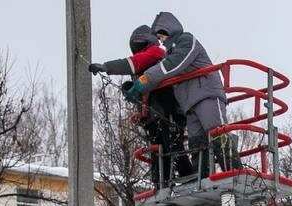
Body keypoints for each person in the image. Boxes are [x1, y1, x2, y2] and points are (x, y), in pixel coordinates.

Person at [126, 12, 239, 178]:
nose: (162, 39)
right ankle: (202, 177)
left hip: (205, 93)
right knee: (197, 141)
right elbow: (161, 70)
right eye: (159, 37)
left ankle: (234, 172)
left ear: (170, 29)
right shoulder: (169, 52)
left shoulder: (186, 41)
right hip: (189, 103)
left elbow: (171, 66)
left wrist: (142, 82)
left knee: (217, 131)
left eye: (162, 35)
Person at [89, 25, 194, 187]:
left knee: (172, 146)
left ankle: (189, 179)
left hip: (168, 110)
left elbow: (135, 64)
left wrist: (107, 67)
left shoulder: (156, 54)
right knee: (158, 151)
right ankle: (161, 184)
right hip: (153, 116)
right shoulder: (142, 65)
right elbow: (143, 87)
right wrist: (131, 90)